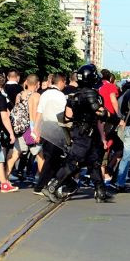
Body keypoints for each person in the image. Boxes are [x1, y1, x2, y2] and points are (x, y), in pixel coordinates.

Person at [45, 64, 112, 203]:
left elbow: (67, 116)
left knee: (94, 162)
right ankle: (53, 186)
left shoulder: (74, 95)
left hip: (80, 132)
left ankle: (100, 191)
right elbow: (100, 112)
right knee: (73, 161)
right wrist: (108, 114)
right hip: (85, 134)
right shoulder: (91, 94)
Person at [32, 73, 69, 195]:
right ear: (61, 81)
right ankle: (41, 186)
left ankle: (48, 184)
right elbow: (64, 115)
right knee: (53, 160)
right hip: (56, 128)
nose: (65, 85)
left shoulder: (45, 94)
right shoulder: (61, 96)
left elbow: (39, 112)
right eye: (64, 82)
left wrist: (36, 129)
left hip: (45, 127)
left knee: (50, 157)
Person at [6, 74, 42, 184]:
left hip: (20, 128)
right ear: (37, 84)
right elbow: (34, 113)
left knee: (15, 154)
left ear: (26, 82)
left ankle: (5, 178)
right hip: (31, 129)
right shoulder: (36, 96)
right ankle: (41, 180)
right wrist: (35, 130)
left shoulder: (20, 94)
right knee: (40, 155)